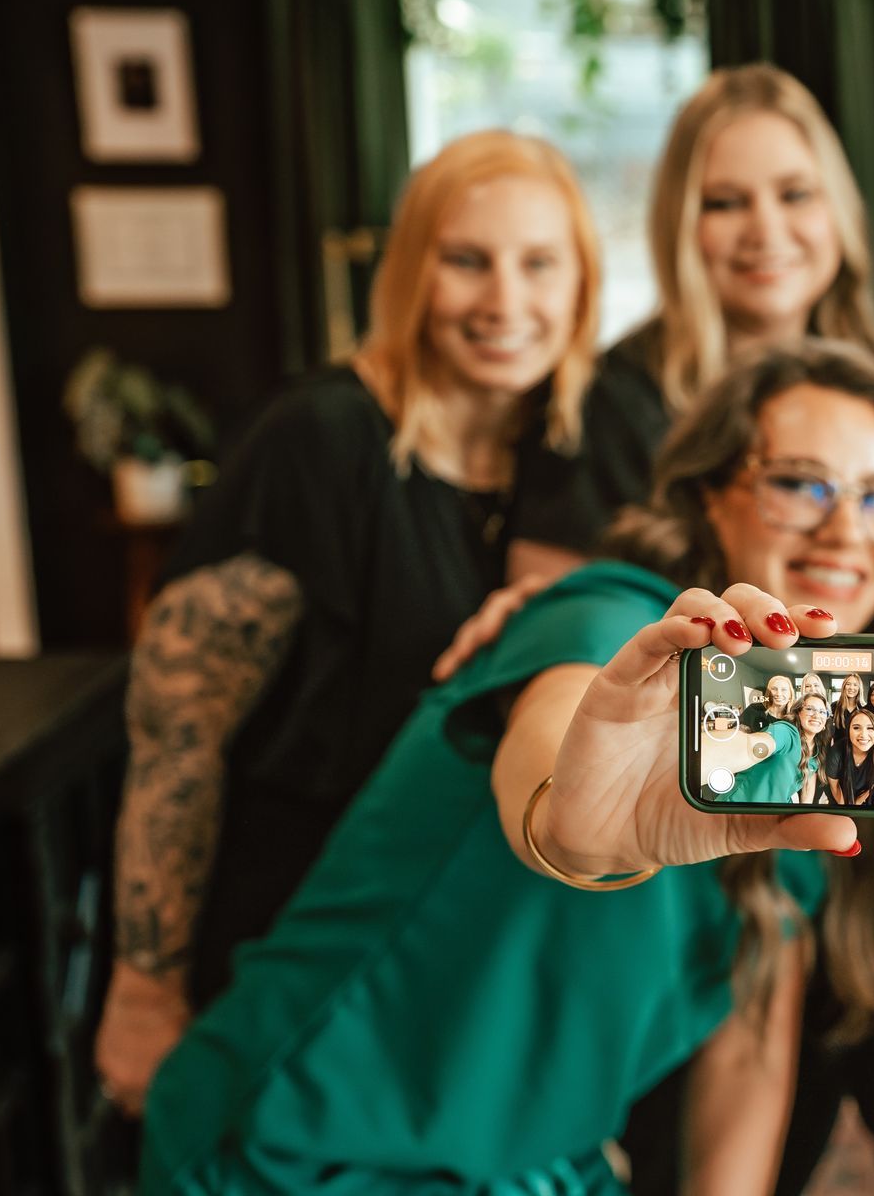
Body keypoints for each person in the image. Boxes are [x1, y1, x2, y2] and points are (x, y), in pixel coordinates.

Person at [137, 338, 874, 1192]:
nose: (849, 530)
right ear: (712, 497)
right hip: (300, 1141)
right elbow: (554, 751)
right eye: (799, 484)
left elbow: (747, 1055)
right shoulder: (608, 625)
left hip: (524, 1168)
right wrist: (573, 827)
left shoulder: (809, 755)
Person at [92, 130, 604, 1113]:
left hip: (454, 936)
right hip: (292, 921)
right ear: (412, 272)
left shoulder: (570, 451)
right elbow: (177, 733)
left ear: (581, 280)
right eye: (467, 261)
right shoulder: (320, 438)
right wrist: (143, 987)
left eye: (539, 263)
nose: (506, 301)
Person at [508, 63, 874, 579]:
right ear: (681, 224)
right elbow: (552, 625)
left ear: (839, 208)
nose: (766, 230)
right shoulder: (601, 406)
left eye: (795, 194)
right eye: (726, 203)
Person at [828, 708, 874, 806]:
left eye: (870, 728)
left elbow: (873, 784)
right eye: (856, 728)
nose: (864, 735)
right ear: (848, 731)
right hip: (838, 802)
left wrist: (858, 802)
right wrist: (845, 809)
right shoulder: (837, 752)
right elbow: (835, 787)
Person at [793, 692, 833, 805]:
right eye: (810, 709)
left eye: (822, 712)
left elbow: (808, 789)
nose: (816, 715)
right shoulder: (788, 734)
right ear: (798, 713)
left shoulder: (817, 748)